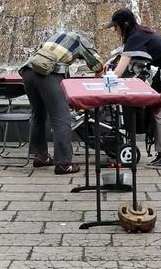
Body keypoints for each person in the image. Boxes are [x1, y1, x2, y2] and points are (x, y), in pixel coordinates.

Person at [106, 9, 161, 169]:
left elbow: (118, 72)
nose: (114, 30)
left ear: (125, 24)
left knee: (160, 113)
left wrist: (104, 79)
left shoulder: (134, 38)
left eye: (116, 26)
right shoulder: (140, 33)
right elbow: (128, 54)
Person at [20, 28, 102, 175]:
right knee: (61, 118)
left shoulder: (54, 37)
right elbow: (97, 64)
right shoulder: (80, 40)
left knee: (38, 114)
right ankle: (64, 164)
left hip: (28, 72)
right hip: (48, 75)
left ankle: (40, 156)